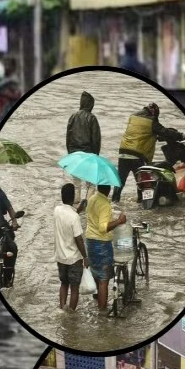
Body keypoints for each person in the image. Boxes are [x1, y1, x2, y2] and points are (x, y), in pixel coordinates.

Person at [115, 103, 185, 202]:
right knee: (142, 182)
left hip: (123, 153)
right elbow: (164, 131)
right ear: (154, 113)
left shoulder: (133, 117)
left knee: (120, 181)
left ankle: (114, 201)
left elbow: (141, 134)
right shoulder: (151, 121)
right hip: (137, 155)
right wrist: (180, 135)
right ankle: (141, 202)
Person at [85, 184, 127, 310]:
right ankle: (102, 312)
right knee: (104, 280)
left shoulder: (92, 198)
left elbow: (95, 220)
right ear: (109, 189)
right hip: (101, 243)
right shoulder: (104, 204)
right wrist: (119, 221)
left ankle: (98, 303)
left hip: (90, 241)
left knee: (96, 275)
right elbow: (103, 228)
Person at [54, 183, 89, 311]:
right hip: (74, 258)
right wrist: (85, 256)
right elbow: (79, 239)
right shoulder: (74, 217)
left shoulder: (56, 210)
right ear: (73, 197)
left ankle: (62, 308)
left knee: (64, 284)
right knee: (74, 288)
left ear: (62, 196)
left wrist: (78, 210)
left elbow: (67, 215)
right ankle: (71, 313)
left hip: (61, 257)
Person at [65, 91, 101, 204]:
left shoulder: (73, 116)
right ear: (91, 105)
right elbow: (96, 139)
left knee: (76, 183)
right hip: (88, 154)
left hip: (74, 154)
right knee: (91, 183)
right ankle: (88, 204)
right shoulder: (92, 118)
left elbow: (68, 137)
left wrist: (70, 153)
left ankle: (75, 203)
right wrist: (96, 155)